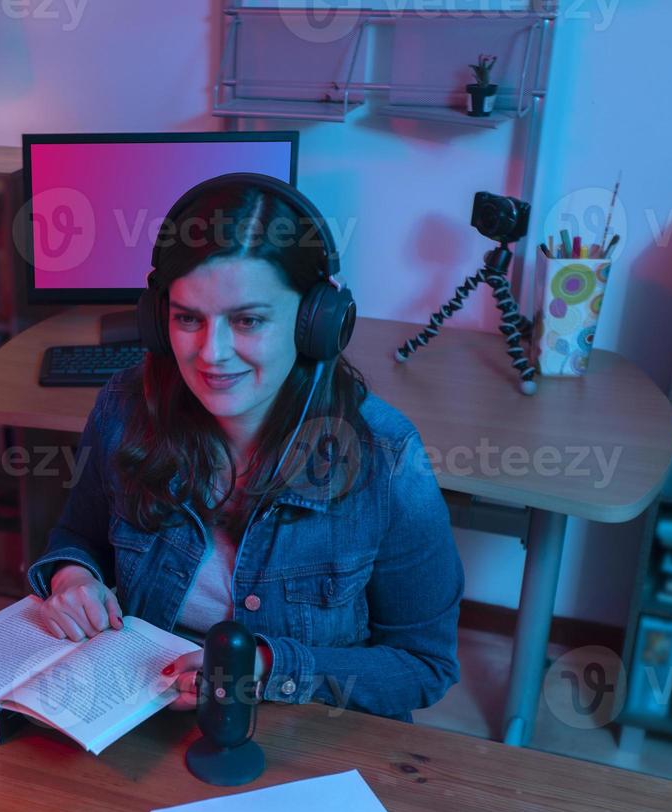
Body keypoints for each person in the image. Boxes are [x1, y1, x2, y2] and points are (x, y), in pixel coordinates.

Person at [26, 175, 463, 721]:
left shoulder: (386, 455)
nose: (213, 354)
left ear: (316, 322)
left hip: (306, 728)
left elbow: (423, 666)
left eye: (248, 320)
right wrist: (73, 576)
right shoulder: (125, 405)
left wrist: (262, 667)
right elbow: (78, 536)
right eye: (188, 319)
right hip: (146, 711)